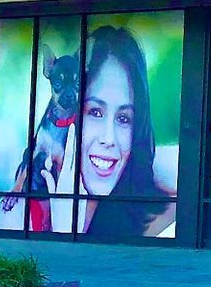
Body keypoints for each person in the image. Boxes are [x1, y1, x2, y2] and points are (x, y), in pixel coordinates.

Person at [43, 26, 175, 238]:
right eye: (95, 112)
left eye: (124, 119)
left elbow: (194, 172)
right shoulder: (21, 215)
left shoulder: (155, 216)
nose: (108, 139)